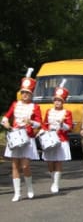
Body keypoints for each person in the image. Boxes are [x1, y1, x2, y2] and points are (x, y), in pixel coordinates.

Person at [1, 68, 41, 202]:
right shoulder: (15, 104)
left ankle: (29, 188)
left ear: (31, 94)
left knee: (25, 166)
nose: (25, 95)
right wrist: (6, 123)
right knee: (15, 165)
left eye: (27, 93)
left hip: (27, 138)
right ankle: (17, 193)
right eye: (23, 92)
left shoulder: (35, 107)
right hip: (15, 137)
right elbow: (6, 117)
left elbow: (39, 124)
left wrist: (30, 121)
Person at [41, 85, 73, 194]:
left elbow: (69, 127)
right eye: (56, 100)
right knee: (50, 162)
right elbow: (45, 124)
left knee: (58, 161)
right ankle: (53, 180)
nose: (57, 102)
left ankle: (56, 183)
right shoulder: (48, 111)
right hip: (49, 139)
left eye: (59, 101)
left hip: (61, 139)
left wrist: (62, 124)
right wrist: (44, 131)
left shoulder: (67, 113)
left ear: (63, 102)